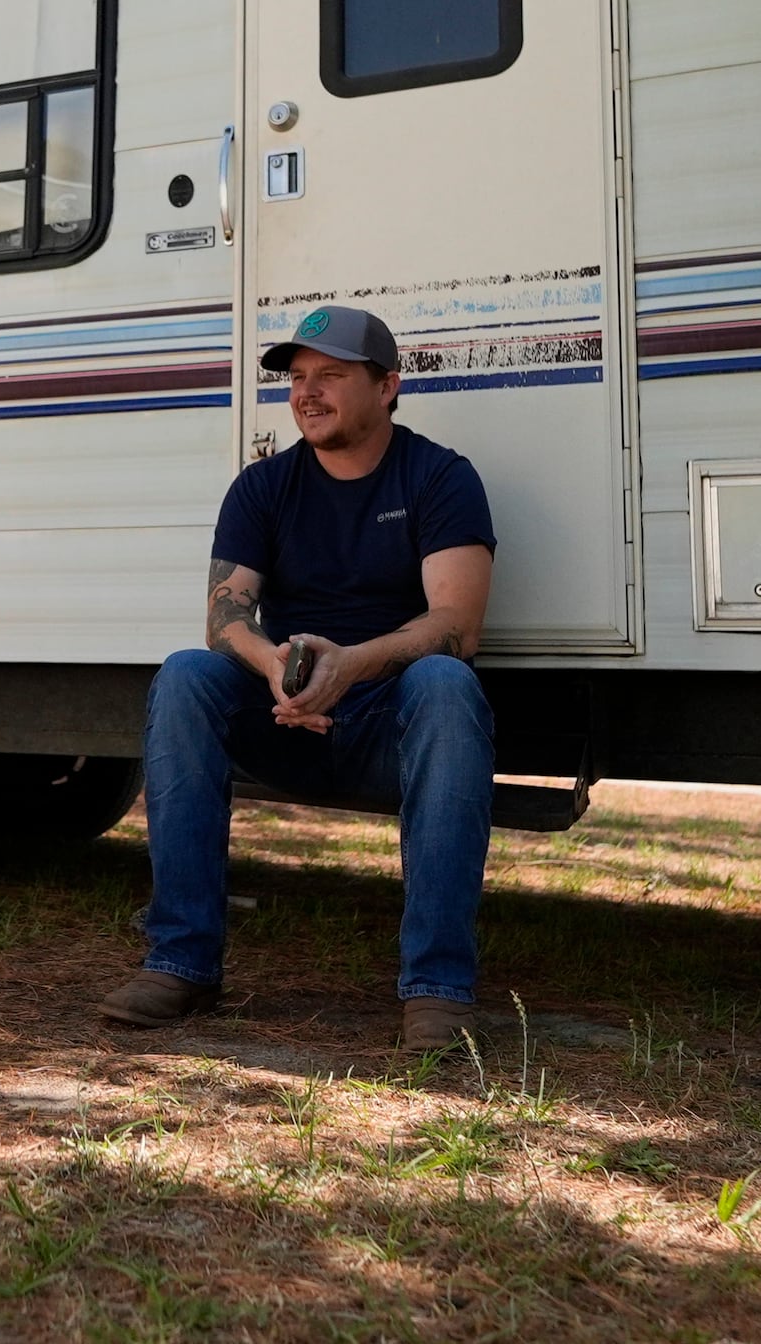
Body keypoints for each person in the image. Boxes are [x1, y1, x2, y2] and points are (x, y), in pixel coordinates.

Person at [99, 304, 499, 1050]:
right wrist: (279, 667)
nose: (308, 393)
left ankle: (438, 990)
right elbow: (225, 619)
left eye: (332, 377)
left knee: (446, 684)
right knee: (189, 673)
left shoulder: (441, 477)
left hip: (390, 727)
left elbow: (455, 624)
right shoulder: (263, 487)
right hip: (287, 717)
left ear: (387, 388)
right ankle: (180, 963)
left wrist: (350, 667)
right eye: (298, 379)